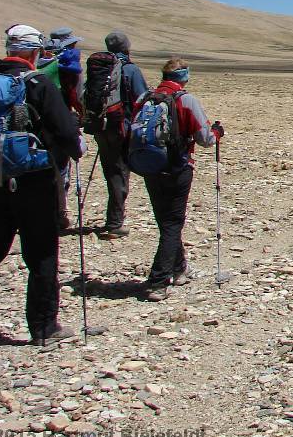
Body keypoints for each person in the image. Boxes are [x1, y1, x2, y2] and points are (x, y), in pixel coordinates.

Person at [0, 24, 84, 346]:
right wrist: (76, 149)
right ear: (34, 53)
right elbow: (66, 133)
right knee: (42, 256)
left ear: (8, 49)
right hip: (35, 184)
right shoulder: (38, 84)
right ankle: (44, 328)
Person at [137, 58, 221, 302]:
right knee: (173, 223)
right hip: (177, 168)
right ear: (184, 76)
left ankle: (179, 268)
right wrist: (217, 132)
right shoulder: (185, 100)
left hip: (149, 166)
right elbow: (205, 138)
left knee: (165, 221)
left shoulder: (144, 99)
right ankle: (158, 281)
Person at [93, 31, 147, 239]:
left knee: (111, 170)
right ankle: (115, 221)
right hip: (121, 127)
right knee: (120, 172)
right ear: (127, 47)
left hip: (102, 126)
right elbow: (141, 98)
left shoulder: (101, 68)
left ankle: (114, 216)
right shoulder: (130, 69)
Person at [47, 28, 84, 230]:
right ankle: (58, 212)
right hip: (62, 118)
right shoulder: (69, 62)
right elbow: (77, 95)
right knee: (61, 167)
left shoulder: (40, 58)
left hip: (35, 122)